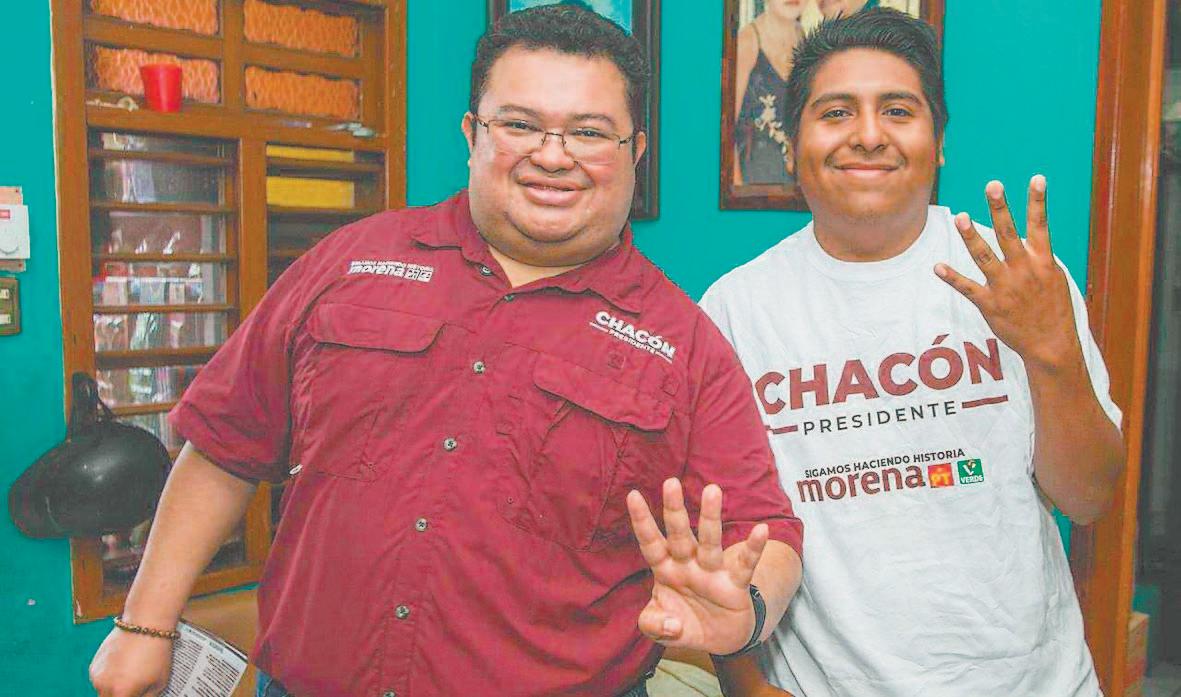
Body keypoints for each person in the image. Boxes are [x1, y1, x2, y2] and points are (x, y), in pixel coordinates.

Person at [87, 6, 805, 697]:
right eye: (519, 124)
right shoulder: (350, 261)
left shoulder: (683, 341)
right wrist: (145, 623)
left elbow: (767, 532)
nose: (552, 156)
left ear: (635, 152)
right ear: (471, 132)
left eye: (589, 132)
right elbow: (224, 445)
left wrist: (745, 609)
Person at [701, 9, 1123, 697]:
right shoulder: (734, 309)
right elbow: (718, 530)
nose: (868, 135)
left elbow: (1089, 496)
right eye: (836, 112)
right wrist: (745, 683)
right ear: (792, 145)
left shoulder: (1018, 278)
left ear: (939, 143)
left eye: (897, 110)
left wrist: (1051, 354)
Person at [734, 0, 805, 186]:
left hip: (796, 181)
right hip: (754, 179)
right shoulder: (746, 42)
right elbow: (724, 129)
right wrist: (738, 189)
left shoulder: (805, 38)